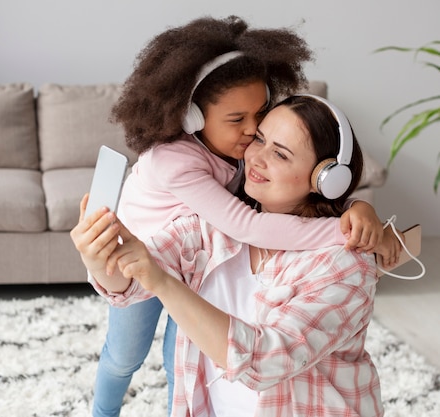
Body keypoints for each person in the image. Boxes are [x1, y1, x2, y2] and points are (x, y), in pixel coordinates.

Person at [90, 15, 397, 417]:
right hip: (146, 246)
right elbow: (129, 282)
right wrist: (100, 258)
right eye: (245, 125)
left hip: (184, 273)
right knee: (124, 356)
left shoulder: (340, 266)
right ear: (193, 117)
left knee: (177, 359)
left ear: (327, 181)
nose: (253, 144)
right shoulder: (183, 176)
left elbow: (265, 358)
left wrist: (358, 210)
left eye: (275, 144)